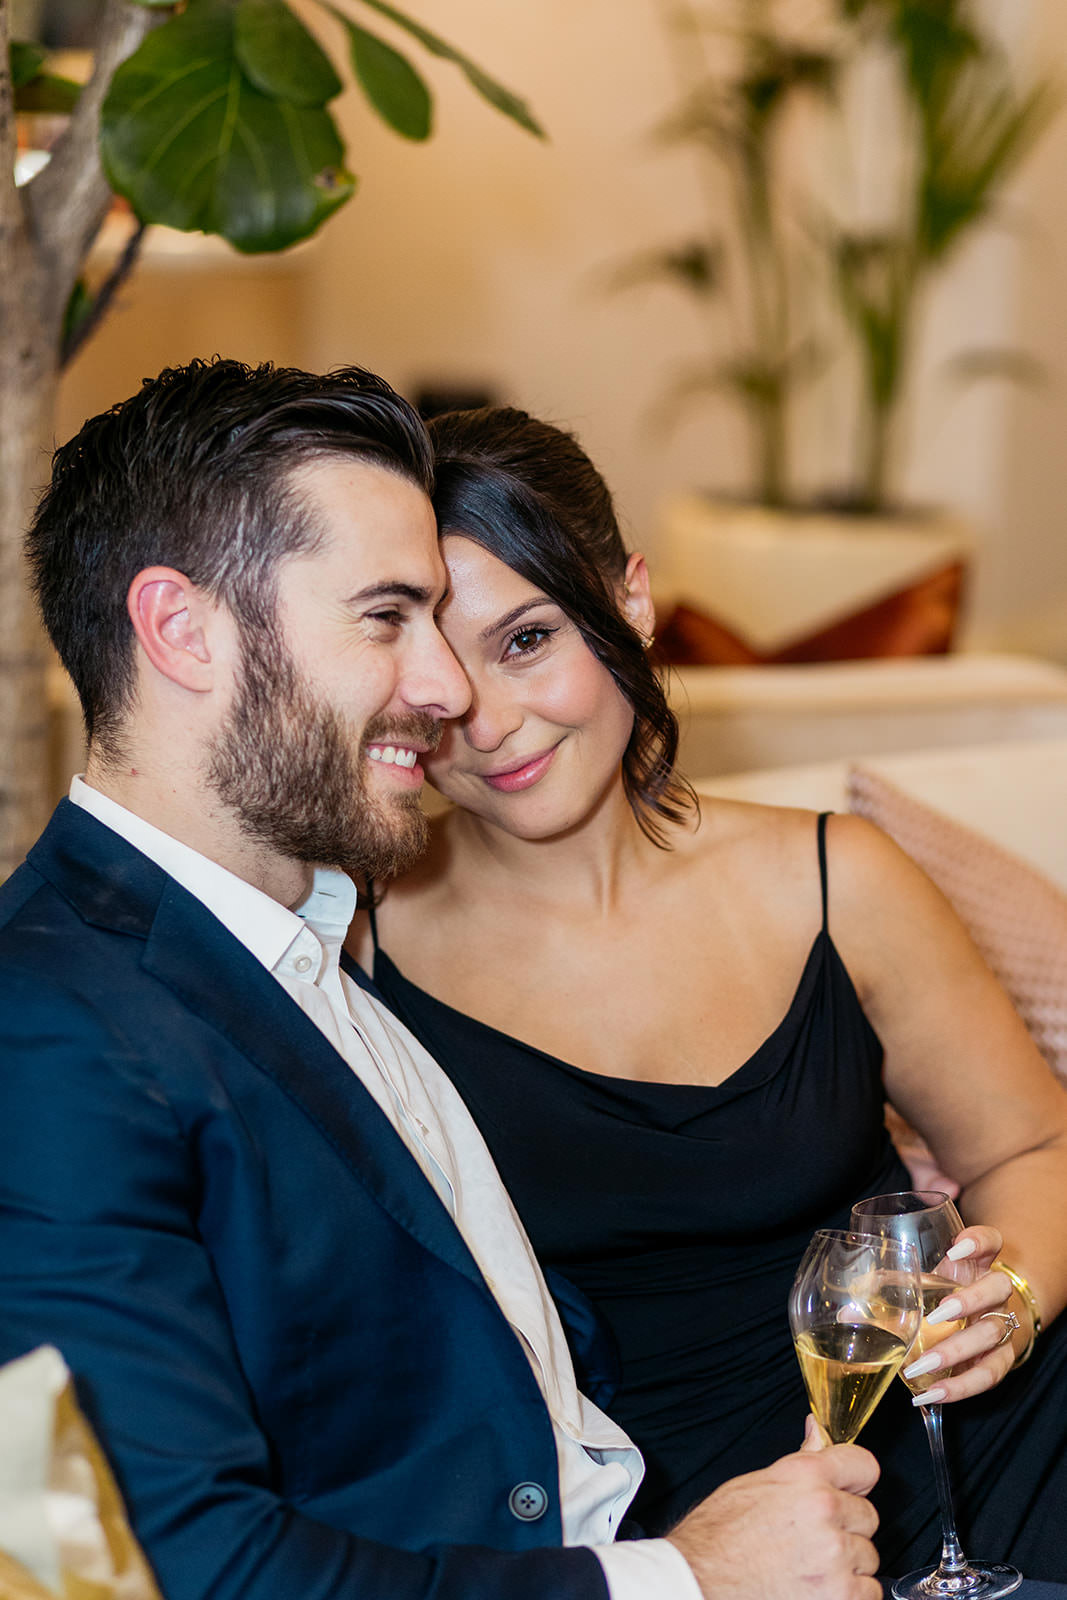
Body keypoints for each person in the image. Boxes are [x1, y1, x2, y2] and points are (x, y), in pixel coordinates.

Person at [0, 358, 885, 1600]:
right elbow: (157, 1570)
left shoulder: (299, 940)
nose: (447, 687)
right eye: (386, 617)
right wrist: (680, 1581)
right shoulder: (44, 1034)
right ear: (182, 631)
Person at [348, 404, 1067, 1580]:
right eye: (433, 674)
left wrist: (1014, 1301)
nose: (488, 721)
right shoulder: (358, 944)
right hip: (666, 1551)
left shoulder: (843, 879)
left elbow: (1032, 1142)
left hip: (972, 1454)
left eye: (526, 639)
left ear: (628, 601)